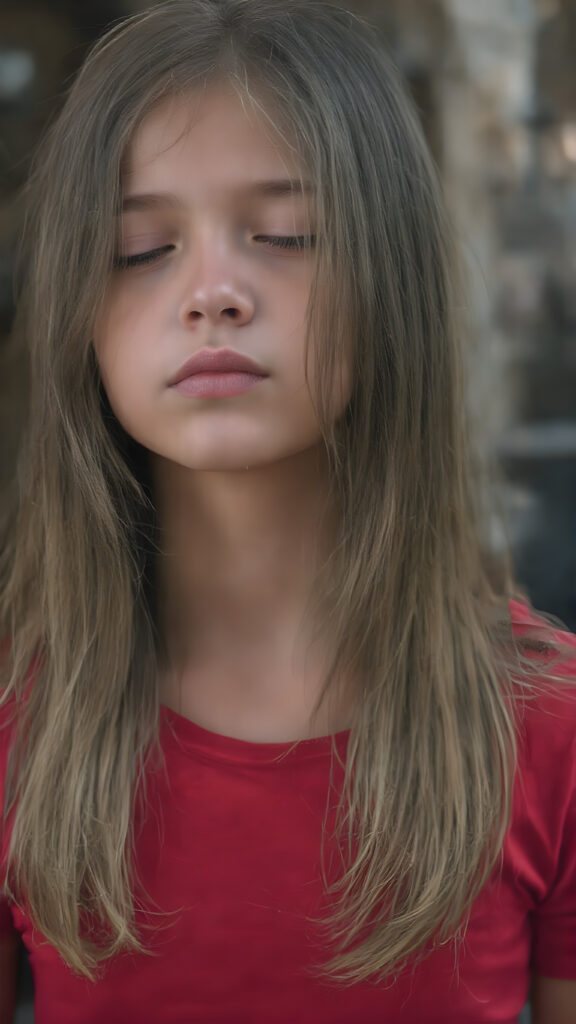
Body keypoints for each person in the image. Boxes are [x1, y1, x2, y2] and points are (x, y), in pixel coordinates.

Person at [0, 1, 575, 1020]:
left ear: (391, 278)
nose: (213, 291)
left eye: (286, 235)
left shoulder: (548, 727)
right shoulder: (15, 726)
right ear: (72, 314)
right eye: (141, 248)